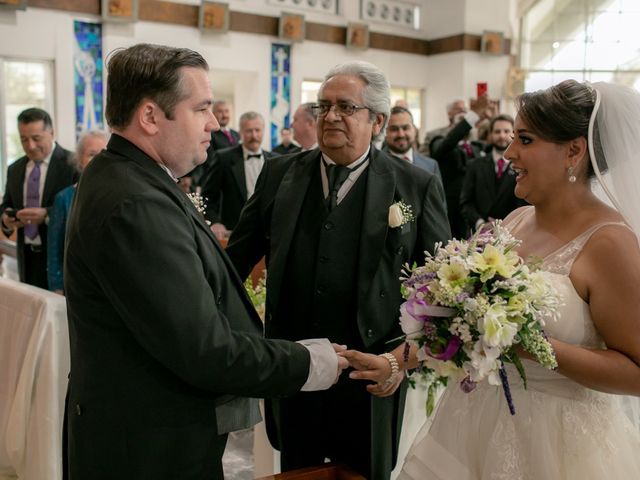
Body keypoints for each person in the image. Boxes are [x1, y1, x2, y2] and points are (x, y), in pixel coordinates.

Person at [64, 43, 348, 480]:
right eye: (201, 109)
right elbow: (204, 349)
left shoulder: (127, 175)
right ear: (150, 117)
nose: (215, 123)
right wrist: (311, 362)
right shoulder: (135, 202)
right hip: (148, 448)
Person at [344, 79, 640, 479]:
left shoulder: (609, 243)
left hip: (557, 442)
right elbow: (464, 321)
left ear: (573, 150)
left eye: (525, 139)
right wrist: (395, 363)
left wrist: (533, 345)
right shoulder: (516, 221)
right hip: (473, 421)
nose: (509, 152)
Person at [225, 60, 450, 479]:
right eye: (322, 106)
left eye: (345, 107)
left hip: (371, 376)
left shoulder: (415, 186)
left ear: (377, 120)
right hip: (295, 370)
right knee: (299, 473)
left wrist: (400, 361)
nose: (329, 117)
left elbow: (440, 294)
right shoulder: (278, 175)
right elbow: (229, 267)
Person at [0, 108, 78, 289]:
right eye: (23, 140)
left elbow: (80, 208)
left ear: (51, 133)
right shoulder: (15, 169)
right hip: (26, 259)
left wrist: (48, 214)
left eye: (36, 138)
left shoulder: (73, 165)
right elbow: (6, 205)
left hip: (61, 260)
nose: (30, 146)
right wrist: (6, 219)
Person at [47, 130, 108, 294]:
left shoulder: (122, 196)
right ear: (79, 161)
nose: (98, 160)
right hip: (75, 289)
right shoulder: (63, 198)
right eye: (91, 154)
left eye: (103, 153)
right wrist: (57, 288)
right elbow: (55, 251)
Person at [201, 111, 274, 239]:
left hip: (270, 233)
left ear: (263, 131)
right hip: (233, 233)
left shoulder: (276, 160)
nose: (254, 135)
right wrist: (215, 222)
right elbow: (208, 197)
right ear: (240, 132)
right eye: (248, 131)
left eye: (257, 130)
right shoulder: (223, 158)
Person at [430, 95, 495, 238]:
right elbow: (448, 143)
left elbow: (499, 148)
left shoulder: (477, 147)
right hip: (449, 209)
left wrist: (492, 119)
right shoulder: (439, 142)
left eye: (467, 119)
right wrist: (473, 115)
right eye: (462, 122)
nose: (465, 125)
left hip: (474, 212)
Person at [460, 114, 526, 232]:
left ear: (514, 134)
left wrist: (506, 224)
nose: (502, 136)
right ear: (490, 134)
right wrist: (480, 223)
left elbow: (525, 203)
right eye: (497, 131)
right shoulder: (475, 165)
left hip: (512, 233)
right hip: (479, 234)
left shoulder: (523, 165)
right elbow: (466, 202)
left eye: (506, 131)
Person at [383, 106, 441, 181]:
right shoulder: (373, 164)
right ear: (385, 133)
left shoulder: (431, 166)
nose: (401, 134)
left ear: (414, 130)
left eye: (405, 128)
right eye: (394, 129)